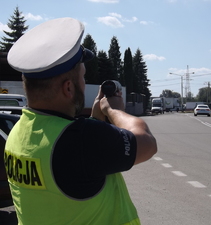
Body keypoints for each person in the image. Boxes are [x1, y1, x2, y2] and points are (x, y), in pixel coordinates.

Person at [4, 17, 157, 225]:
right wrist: (111, 110)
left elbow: (77, 173)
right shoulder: (82, 140)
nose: (84, 84)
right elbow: (147, 142)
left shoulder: (17, 132)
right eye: (83, 78)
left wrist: (96, 119)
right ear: (68, 88)